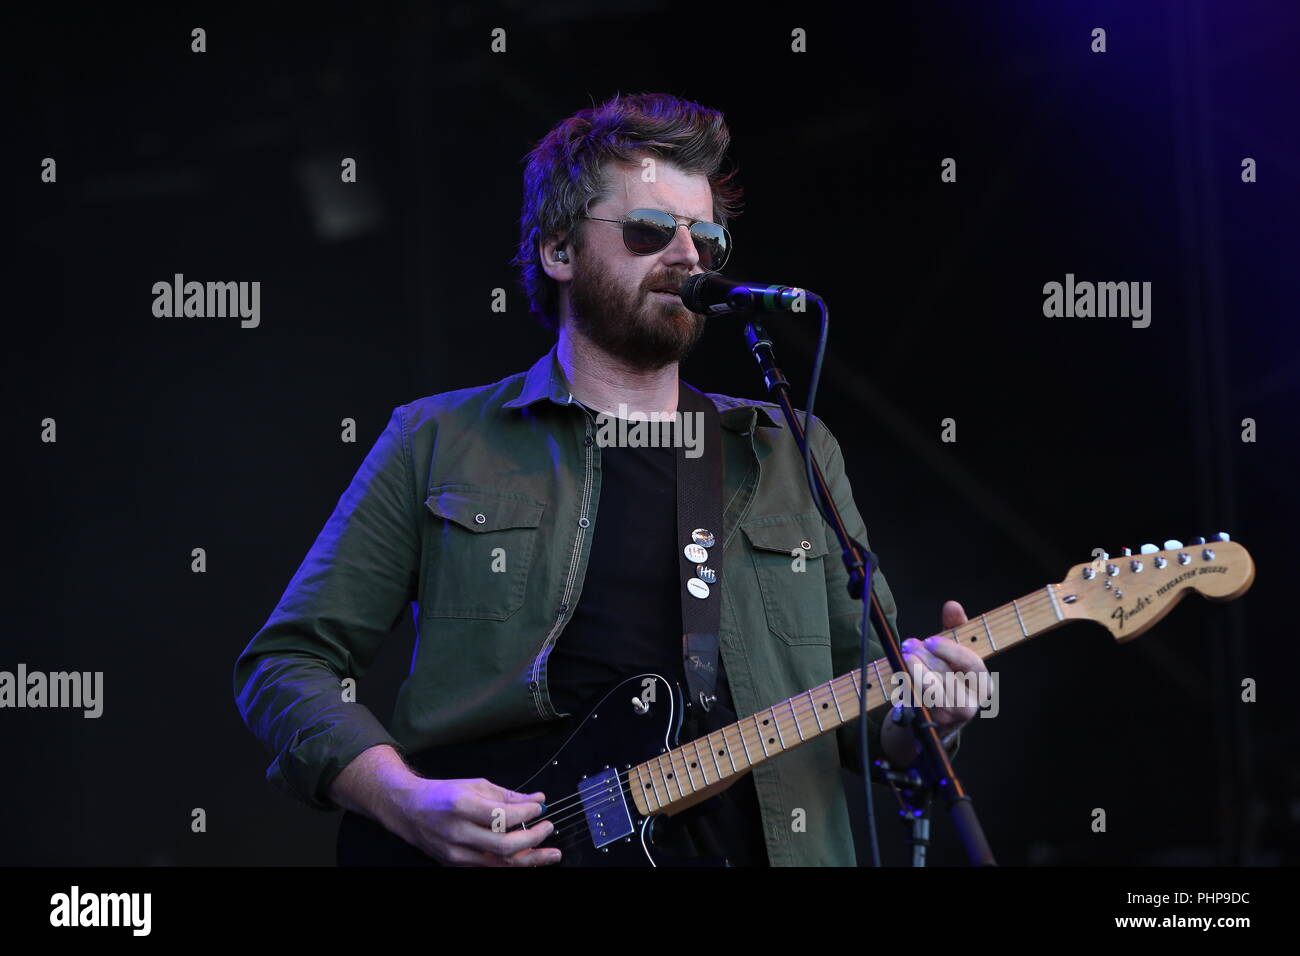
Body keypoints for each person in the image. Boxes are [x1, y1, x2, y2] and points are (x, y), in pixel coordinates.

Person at [233, 92, 987, 867]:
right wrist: (406, 799)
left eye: (708, 240)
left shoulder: (790, 449)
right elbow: (287, 666)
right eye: (650, 230)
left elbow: (868, 717)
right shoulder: (437, 439)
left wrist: (928, 711)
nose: (688, 257)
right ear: (559, 251)